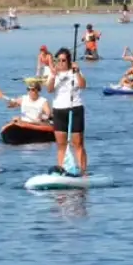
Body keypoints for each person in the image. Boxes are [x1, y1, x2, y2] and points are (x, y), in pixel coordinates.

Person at [46, 46, 88, 176]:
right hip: (59, 109)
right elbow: (49, 89)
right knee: (61, 144)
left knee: (78, 143)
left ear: (69, 61)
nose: (61, 63)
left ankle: (83, 171)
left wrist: (76, 72)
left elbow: (83, 85)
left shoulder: (74, 72)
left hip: (75, 107)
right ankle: (61, 170)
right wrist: (53, 76)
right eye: (58, 60)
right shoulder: (53, 73)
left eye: (63, 60)